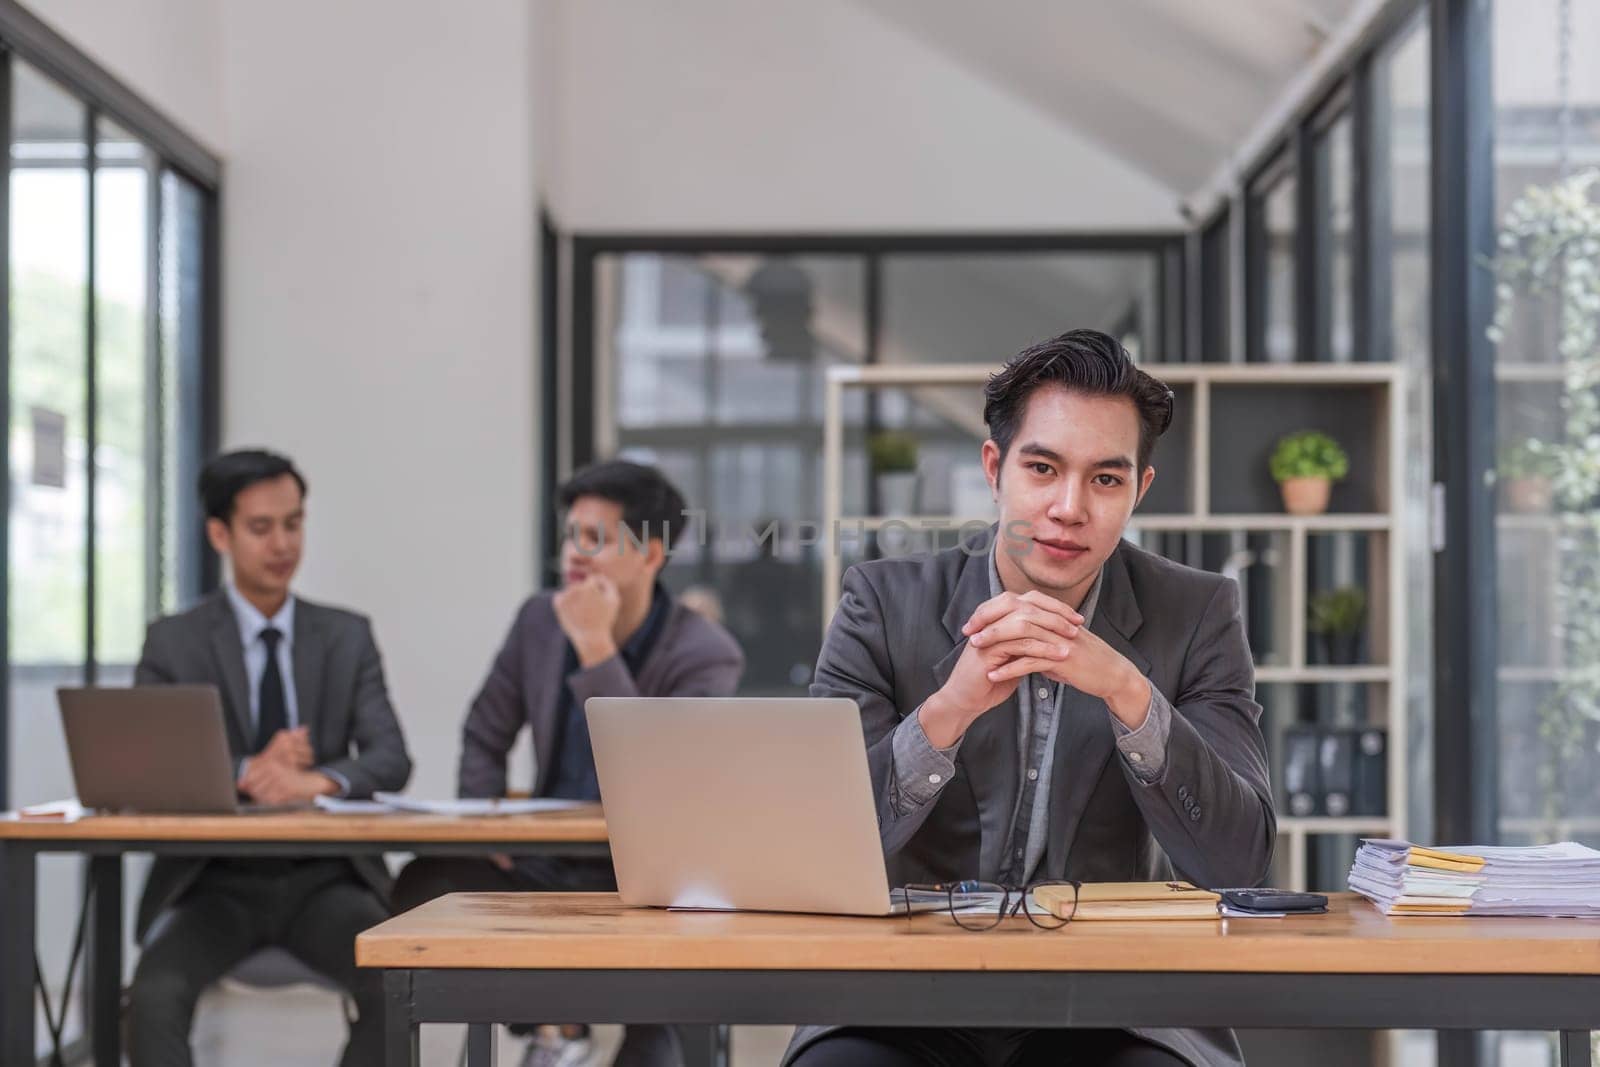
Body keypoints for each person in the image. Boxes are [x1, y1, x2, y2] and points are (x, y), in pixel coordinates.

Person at [788, 330, 1275, 1067]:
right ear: (996, 468)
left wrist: (1128, 691)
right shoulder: (882, 603)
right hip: (905, 995)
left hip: (1113, 1002)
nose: (1069, 507)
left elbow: (1238, 857)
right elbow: (816, 848)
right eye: (1043, 468)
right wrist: (947, 710)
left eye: (1105, 480)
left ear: (1139, 490)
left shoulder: (1199, 611)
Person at [392, 459, 744, 1067]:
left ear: (651, 554)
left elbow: (654, 779)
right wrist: (489, 833)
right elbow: (484, 732)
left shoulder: (705, 654)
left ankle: (574, 1029)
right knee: (424, 881)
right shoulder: (538, 619)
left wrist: (595, 647)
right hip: (542, 862)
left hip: (644, 885)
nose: (574, 556)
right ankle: (556, 1027)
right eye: (571, 536)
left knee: (666, 1038)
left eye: (597, 540)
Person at [129, 449, 412, 1067]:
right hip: (212, 881)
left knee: (399, 990)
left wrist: (315, 779)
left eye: (294, 523)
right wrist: (246, 774)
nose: (282, 544)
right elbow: (146, 767)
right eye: (262, 528)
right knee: (151, 999)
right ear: (219, 534)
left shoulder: (346, 636)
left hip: (325, 880)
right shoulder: (174, 642)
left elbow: (392, 758)